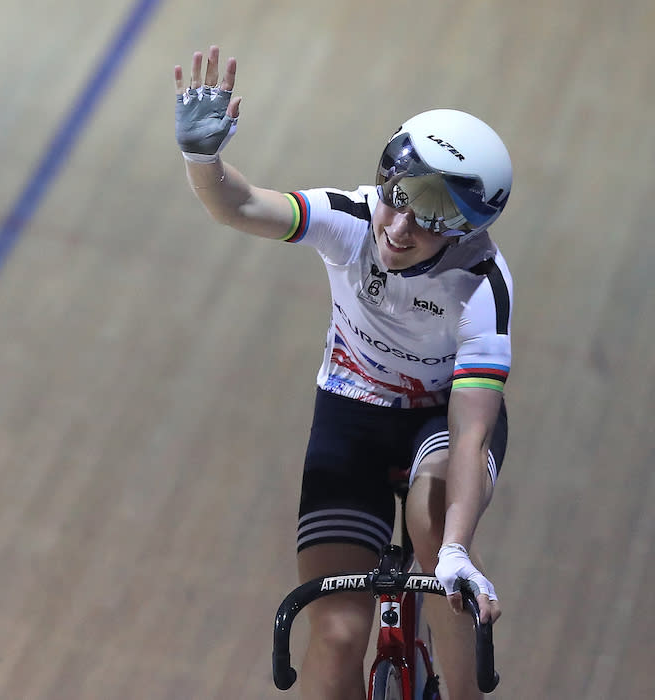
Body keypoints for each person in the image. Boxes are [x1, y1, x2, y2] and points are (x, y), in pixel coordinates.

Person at [174, 46, 513, 700]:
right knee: (333, 637)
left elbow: (470, 435)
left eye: (432, 214)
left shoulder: (482, 284)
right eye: (396, 193)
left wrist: (458, 555)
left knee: (433, 526)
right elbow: (241, 206)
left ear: (470, 227)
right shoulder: (351, 220)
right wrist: (203, 161)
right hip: (351, 415)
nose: (400, 223)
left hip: (438, 425)